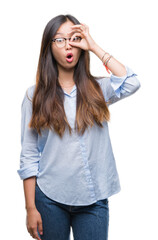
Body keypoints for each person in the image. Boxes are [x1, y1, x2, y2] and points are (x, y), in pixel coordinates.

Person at [17, 14, 141, 240]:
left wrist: (93, 45)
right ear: (49, 46)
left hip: (93, 200)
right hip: (50, 197)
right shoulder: (33, 96)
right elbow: (29, 155)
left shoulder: (98, 89)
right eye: (60, 40)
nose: (68, 45)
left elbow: (131, 82)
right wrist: (30, 208)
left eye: (74, 38)